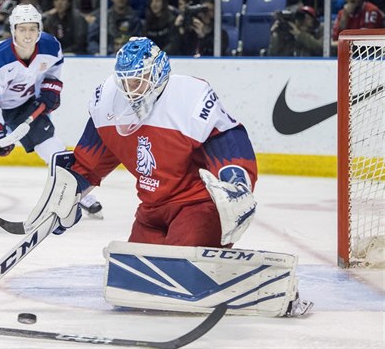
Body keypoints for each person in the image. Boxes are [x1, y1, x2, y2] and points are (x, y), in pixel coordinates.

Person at [26, 37, 313, 317]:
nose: (129, 89)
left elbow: (227, 136)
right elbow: (90, 162)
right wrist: (67, 195)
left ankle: (250, 284)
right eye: (124, 80)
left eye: (137, 80)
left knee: (178, 279)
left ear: (158, 73)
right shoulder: (109, 102)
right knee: (133, 287)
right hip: (152, 210)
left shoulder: (189, 98)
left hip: (197, 206)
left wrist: (237, 181)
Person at [0, 4, 103, 224]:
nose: (27, 35)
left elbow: (54, 69)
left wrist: (50, 90)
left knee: (53, 148)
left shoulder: (50, 46)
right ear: (13, 30)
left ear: (40, 29)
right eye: (22, 29)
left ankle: (78, 192)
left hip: (25, 105)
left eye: (32, 29)